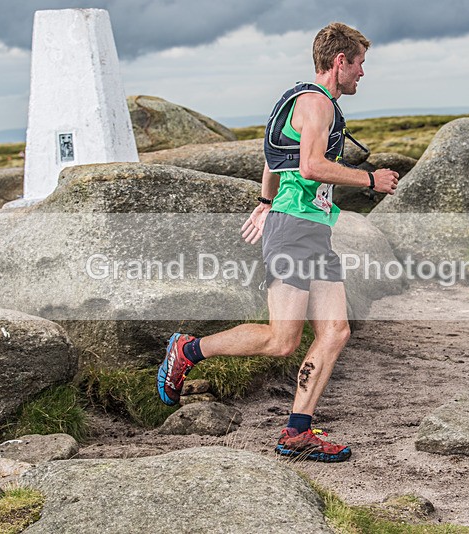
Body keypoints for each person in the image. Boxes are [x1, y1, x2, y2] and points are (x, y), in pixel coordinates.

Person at [157, 22, 399, 462]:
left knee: (334, 332)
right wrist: (370, 179)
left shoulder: (299, 99)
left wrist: (264, 200)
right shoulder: (318, 104)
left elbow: (275, 158)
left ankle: (297, 432)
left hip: (311, 230)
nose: (363, 73)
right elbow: (309, 166)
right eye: (360, 63)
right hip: (294, 232)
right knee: (282, 339)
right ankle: (188, 350)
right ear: (340, 61)